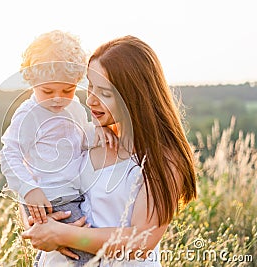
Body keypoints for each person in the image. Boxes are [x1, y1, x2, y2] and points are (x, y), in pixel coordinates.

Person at [21, 35, 197, 266]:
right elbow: (31, 180)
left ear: (134, 96)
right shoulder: (84, 136)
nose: (91, 101)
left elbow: (141, 242)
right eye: (90, 87)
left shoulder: (162, 159)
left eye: (105, 93)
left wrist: (64, 235)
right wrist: (38, 223)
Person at [0, 30, 117, 266]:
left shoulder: (73, 107)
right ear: (32, 81)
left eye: (67, 90)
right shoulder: (28, 114)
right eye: (48, 91)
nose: (58, 99)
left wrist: (98, 131)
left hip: (75, 194)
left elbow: (81, 137)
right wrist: (28, 189)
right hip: (47, 197)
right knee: (84, 255)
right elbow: (9, 153)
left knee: (80, 244)